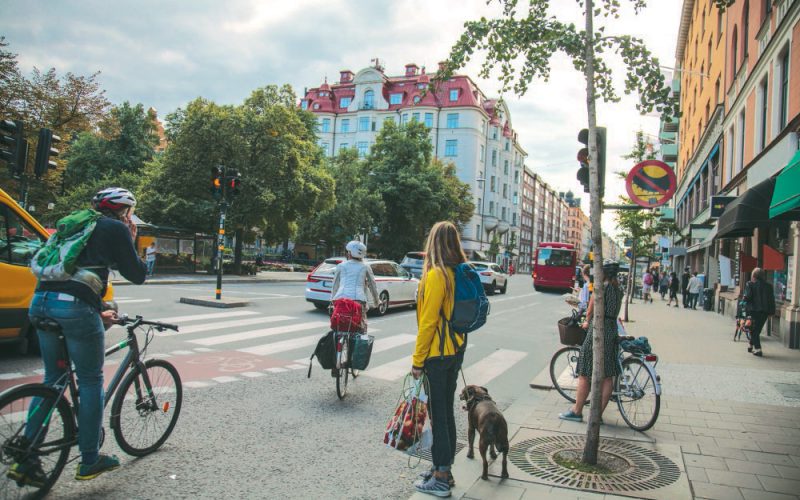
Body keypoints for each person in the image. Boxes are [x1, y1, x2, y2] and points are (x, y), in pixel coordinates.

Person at [12, 187, 147, 486]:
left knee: (53, 380)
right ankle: (89, 459)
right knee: (90, 381)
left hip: (41, 304)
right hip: (74, 309)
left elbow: (74, 273)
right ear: (123, 211)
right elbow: (137, 274)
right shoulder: (114, 228)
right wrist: (132, 238)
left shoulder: (77, 225)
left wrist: (97, 309)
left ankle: (26, 454)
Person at [411, 221, 468, 497]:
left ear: (433, 243)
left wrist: (417, 361)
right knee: (445, 412)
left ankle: (442, 478)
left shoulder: (436, 275)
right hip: (455, 351)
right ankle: (442, 468)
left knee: (439, 415)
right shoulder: (460, 273)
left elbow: (428, 322)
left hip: (436, 355)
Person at [559, 260, 624, 423]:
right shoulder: (619, 289)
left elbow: (589, 311)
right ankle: (597, 415)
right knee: (608, 375)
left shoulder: (600, 288)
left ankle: (577, 411)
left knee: (584, 373)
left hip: (598, 329)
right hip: (612, 330)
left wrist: (586, 321)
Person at [330, 240, 380, 331]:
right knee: (361, 327)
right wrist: (376, 301)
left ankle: (338, 342)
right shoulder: (365, 267)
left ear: (350, 253)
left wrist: (332, 301)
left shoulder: (341, 266)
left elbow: (335, 286)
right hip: (359, 301)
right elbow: (372, 285)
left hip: (341, 299)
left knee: (338, 323)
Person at [743, 267, 775, 357]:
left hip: (753, 311)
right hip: (764, 312)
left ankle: (758, 349)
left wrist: (744, 300)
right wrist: (771, 312)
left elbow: (748, 297)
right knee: (757, 329)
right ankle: (751, 345)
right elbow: (771, 300)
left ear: (754, 276)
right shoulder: (769, 286)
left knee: (753, 330)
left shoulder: (750, 285)